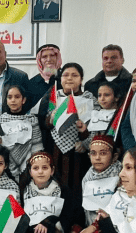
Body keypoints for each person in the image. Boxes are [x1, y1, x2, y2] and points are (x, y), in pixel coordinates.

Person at [36, 63, 96, 191]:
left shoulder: (90, 99)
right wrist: (50, 119)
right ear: (61, 79)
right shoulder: (53, 97)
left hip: (80, 154)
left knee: (77, 189)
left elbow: (96, 128)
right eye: (65, 75)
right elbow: (42, 123)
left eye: (74, 75)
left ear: (81, 79)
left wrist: (85, 140)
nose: (69, 78)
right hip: (55, 151)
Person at [0, 85, 42, 178]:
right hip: (4, 165)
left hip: (27, 166)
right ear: (6, 100)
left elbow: (37, 146)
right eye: (10, 97)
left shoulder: (32, 120)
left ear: (23, 100)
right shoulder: (1, 120)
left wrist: (32, 165)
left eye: (17, 97)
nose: (13, 100)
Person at [24, 44, 62, 113]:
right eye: (44, 57)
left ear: (57, 57)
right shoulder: (32, 83)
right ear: (39, 60)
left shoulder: (67, 80)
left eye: (52, 55)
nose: (49, 59)